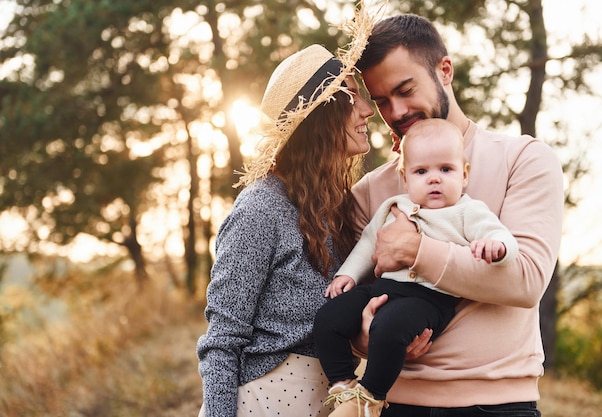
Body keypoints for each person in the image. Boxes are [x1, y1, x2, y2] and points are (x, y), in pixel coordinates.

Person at [348, 13, 564, 417]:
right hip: (398, 406)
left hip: (498, 406)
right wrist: (362, 335)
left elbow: (527, 280)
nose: (395, 112)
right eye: (380, 102)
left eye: (405, 89)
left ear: (444, 70)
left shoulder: (524, 159)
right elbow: (349, 296)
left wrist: (416, 250)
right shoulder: (370, 192)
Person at [195, 7, 391, 416]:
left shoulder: (338, 209)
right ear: (324, 115)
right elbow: (222, 341)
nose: (368, 111)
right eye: (353, 97)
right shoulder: (260, 209)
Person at [313, 119, 519, 417]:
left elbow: (501, 236)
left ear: (464, 174)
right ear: (405, 177)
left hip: (428, 298)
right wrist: (347, 274)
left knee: (388, 328)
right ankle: (342, 383)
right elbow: (370, 242)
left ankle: (369, 398)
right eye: (421, 171)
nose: (434, 179)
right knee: (329, 317)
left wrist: (496, 247)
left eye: (445, 170)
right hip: (381, 289)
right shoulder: (394, 205)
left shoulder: (467, 210)